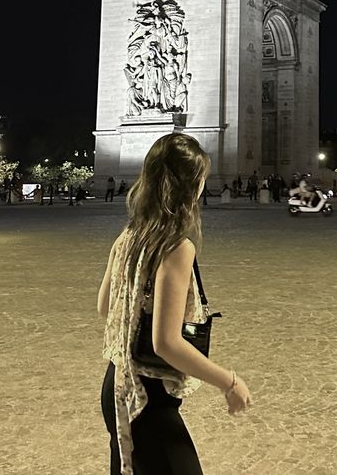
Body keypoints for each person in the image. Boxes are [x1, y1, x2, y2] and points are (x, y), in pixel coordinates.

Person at [97, 132, 251, 475]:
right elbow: (165, 343)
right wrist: (229, 381)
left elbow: (106, 306)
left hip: (115, 388)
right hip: (148, 399)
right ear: (191, 185)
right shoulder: (176, 248)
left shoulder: (127, 236)